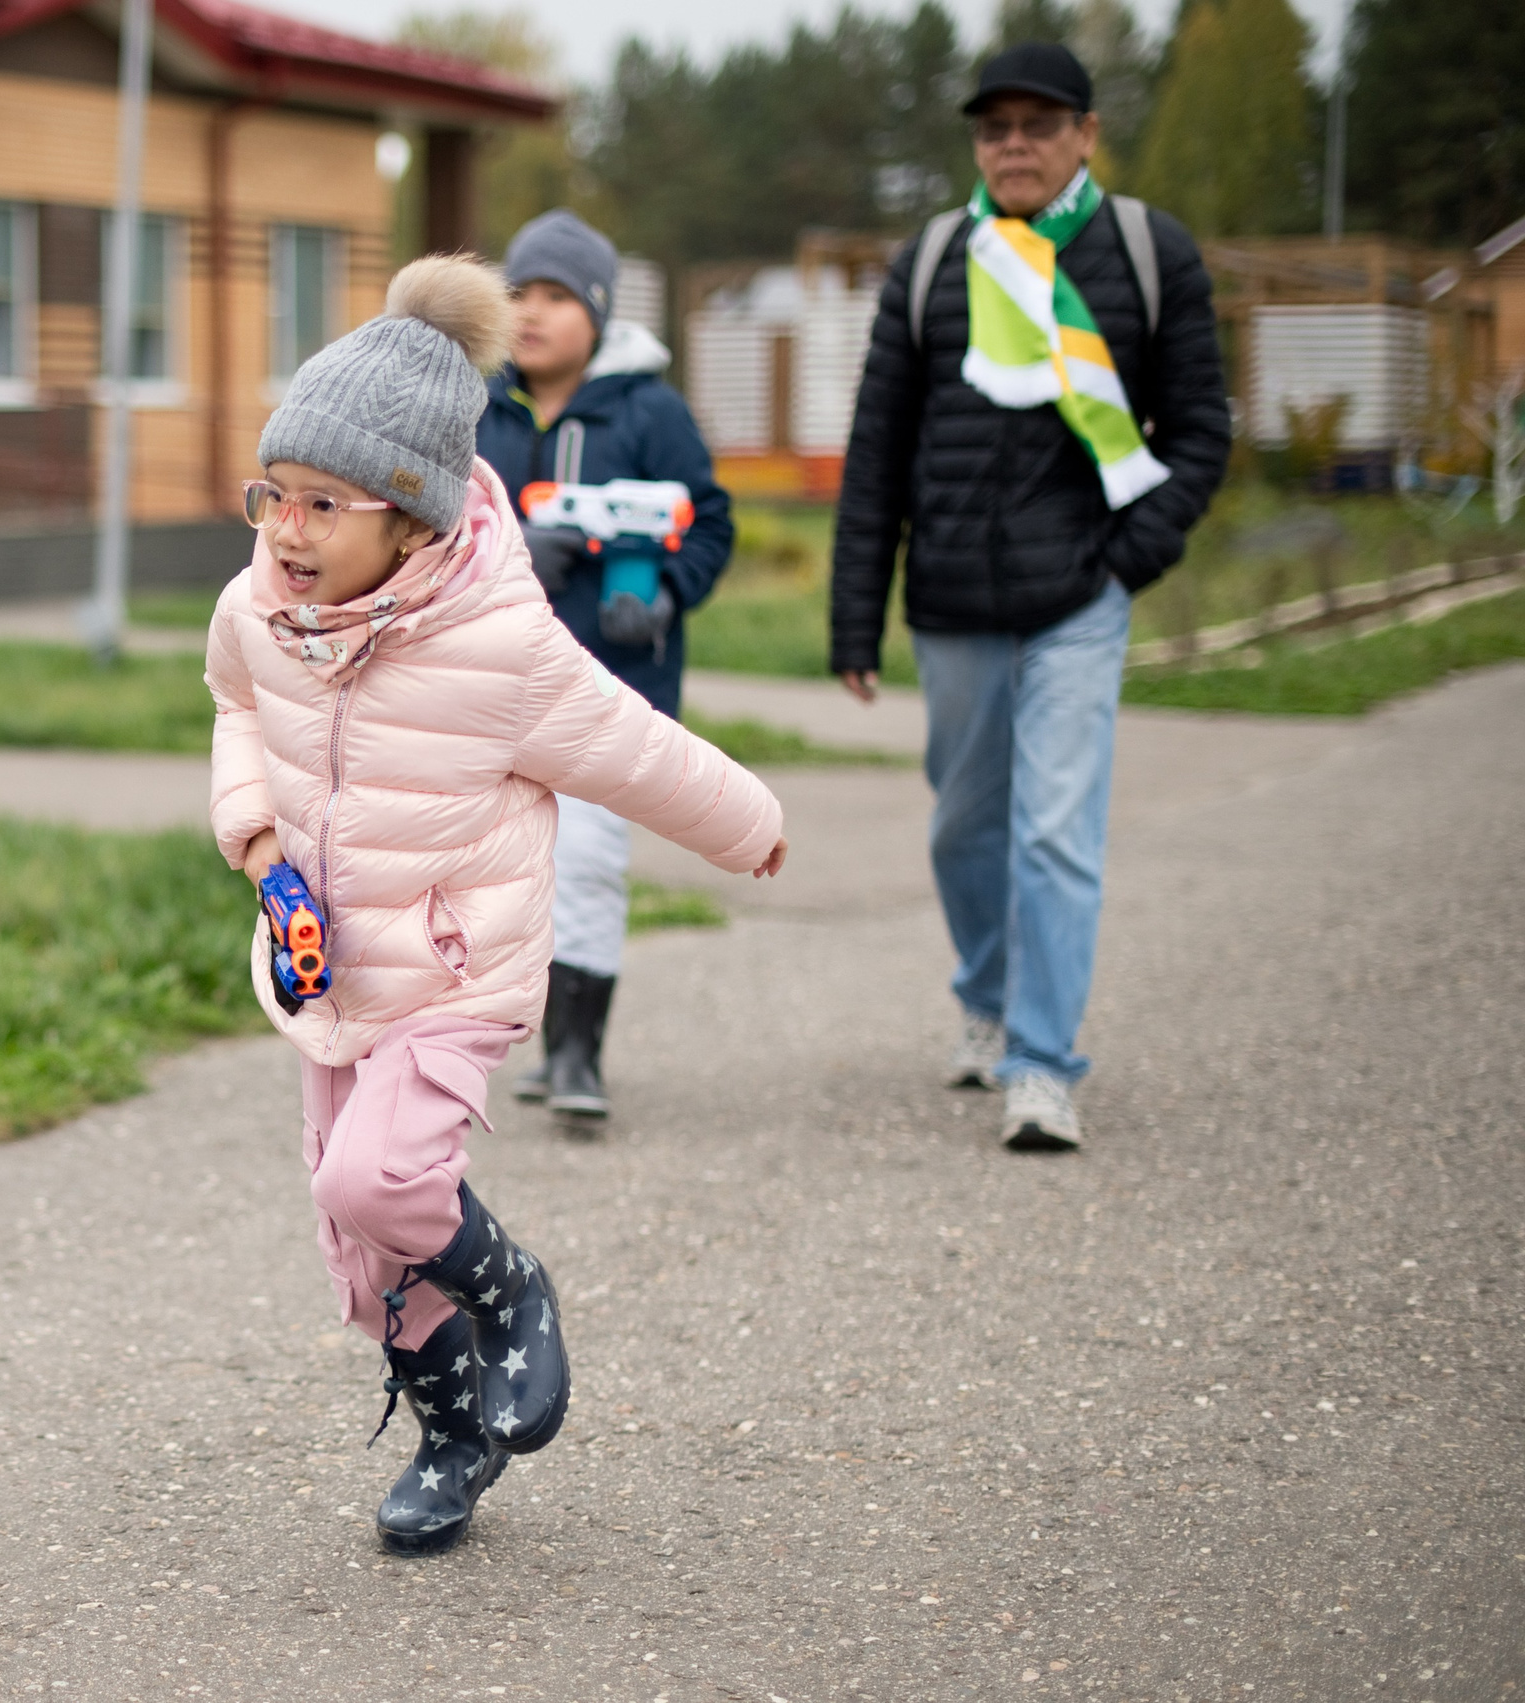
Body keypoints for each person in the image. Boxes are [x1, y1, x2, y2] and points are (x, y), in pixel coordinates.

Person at [205, 254, 786, 1554]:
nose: (285, 529)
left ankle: (511, 1285)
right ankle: (451, 1432)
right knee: (355, 1243)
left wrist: (747, 824)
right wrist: (256, 841)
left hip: (459, 972)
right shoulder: (260, 608)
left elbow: (634, 747)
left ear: (410, 516)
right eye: (273, 495)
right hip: (330, 970)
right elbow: (236, 705)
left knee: (382, 1173)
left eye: (321, 505)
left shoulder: (499, 645)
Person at [829, 42, 1228, 1152]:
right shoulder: (929, 264)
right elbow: (875, 454)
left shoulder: (1148, 254)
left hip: (1078, 595)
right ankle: (987, 995)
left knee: (1053, 830)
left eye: (1039, 124)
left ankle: (1042, 1063)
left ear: (1085, 134)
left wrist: (1124, 558)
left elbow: (1200, 434)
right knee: (964, 825)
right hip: (950, 597)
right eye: (994, 126)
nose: (1014, 143)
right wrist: (852, 617)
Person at [476, 210, 737, 1121]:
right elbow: (429, 527)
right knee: (500, 872)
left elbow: (709, 521)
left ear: (598, 310)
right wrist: (505, 550)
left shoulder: (651, 411)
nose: (533, 313)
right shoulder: (477, 408)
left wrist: (665, 588)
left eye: (556, 296)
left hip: (609, 687)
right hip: (488, 685)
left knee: (586, 860)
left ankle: (577, 1053)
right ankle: (504, 1035)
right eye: (519, 294)